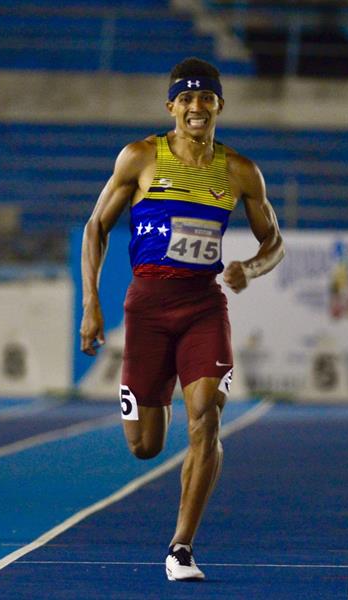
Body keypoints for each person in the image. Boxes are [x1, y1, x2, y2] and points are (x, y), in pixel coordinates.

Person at [79, 57, 284, 581]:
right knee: (144, 446)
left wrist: (252, 268)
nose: (197, 107)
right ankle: (159, 394)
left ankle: (181, 547)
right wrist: (91, 304)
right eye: (186, 98)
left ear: (219, 104)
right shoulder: (140, 158)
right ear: (171, 105)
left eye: (206, 97)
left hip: (203, 306)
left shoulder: (240, 170)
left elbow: (273, 241)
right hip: (146, 307)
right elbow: (95, 229)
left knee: (208, 416)